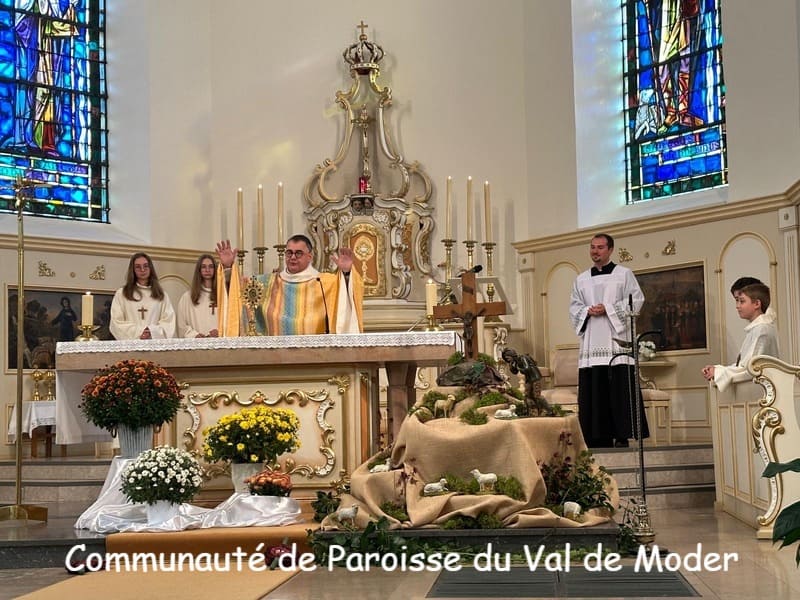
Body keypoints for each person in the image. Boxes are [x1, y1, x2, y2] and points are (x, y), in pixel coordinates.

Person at [569, 233, 649, 448]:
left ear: (610, 250)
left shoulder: (624, 274)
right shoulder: (581, 279)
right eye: (592, 247)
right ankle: (596, 437)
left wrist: (609, 309)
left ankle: (621, 434)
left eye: (600, 247)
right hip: (592, 342)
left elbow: (636, 300)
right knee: (595, 389)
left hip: (615, 341)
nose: (595, 251)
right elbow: (574, 307)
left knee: (618, 389)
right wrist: (587, 310)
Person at [215, 235, 363, 336]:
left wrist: (347, 272)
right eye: (289, 253)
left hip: (317, 356)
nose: (292, 257)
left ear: (309, 257)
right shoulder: (268, 282)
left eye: (298, 253)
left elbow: (346, 294)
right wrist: (228, 269)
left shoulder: (325, 282)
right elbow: (237, 291)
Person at [702, 283, 779, 392]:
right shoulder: (757, 328)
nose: (737, 306)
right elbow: (743, 364)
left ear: (757, 304)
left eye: (742, 301)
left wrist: (718, 372)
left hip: (760, 391)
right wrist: (718, 369)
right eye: (737, 301)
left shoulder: (762, 329)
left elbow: (751, 368)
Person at [110, 252, 176, 340]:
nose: (142, 270)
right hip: (132, 345)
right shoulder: (122, 294)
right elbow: (116, 322)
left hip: (154, 344)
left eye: (146, 266)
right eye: (138, 267)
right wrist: (140, 332)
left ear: (150, 268)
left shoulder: (161, 295)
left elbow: (168, 322)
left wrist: (152, 332)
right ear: (133, 270)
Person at [177, 254, 219, 338]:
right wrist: (194, 335)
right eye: (203, 267)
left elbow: (231, 321)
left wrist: (220, 331)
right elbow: (181, 325)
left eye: (211, 267)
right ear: (199, 270)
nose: (207, 270)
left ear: (215, 269)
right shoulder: (187, 297)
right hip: (196, 344)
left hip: (220, 342)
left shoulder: (223, 296)